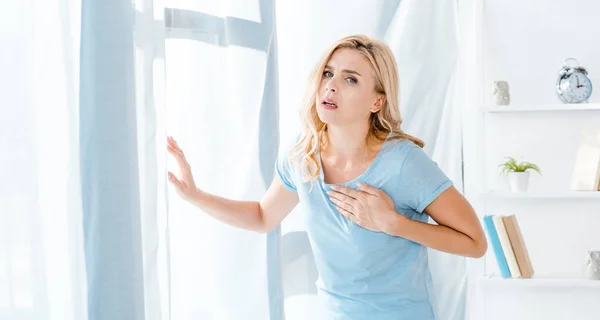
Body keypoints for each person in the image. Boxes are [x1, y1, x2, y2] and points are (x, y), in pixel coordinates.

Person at [167, 35, 487, 320]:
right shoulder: (302, 155)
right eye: (328, 73)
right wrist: (196, 196)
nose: (331, 85)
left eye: (351, 80)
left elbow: (475, 243)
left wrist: (393, 223)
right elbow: (263, 216)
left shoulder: (403, 162)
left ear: (377, 101)